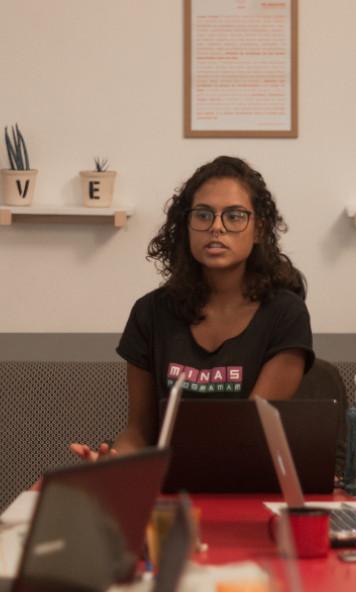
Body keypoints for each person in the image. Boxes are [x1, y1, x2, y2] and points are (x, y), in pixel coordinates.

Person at [71, 156, 314, 459]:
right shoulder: (150, 313)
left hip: (248, 485)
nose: (216, 228)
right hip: (168, 490)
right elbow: (140, 430)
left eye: (235, 216)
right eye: (203, 215)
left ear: (259, 230)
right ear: (186, 225)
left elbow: (251, 433)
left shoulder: (285, 314)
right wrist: (115, 461)